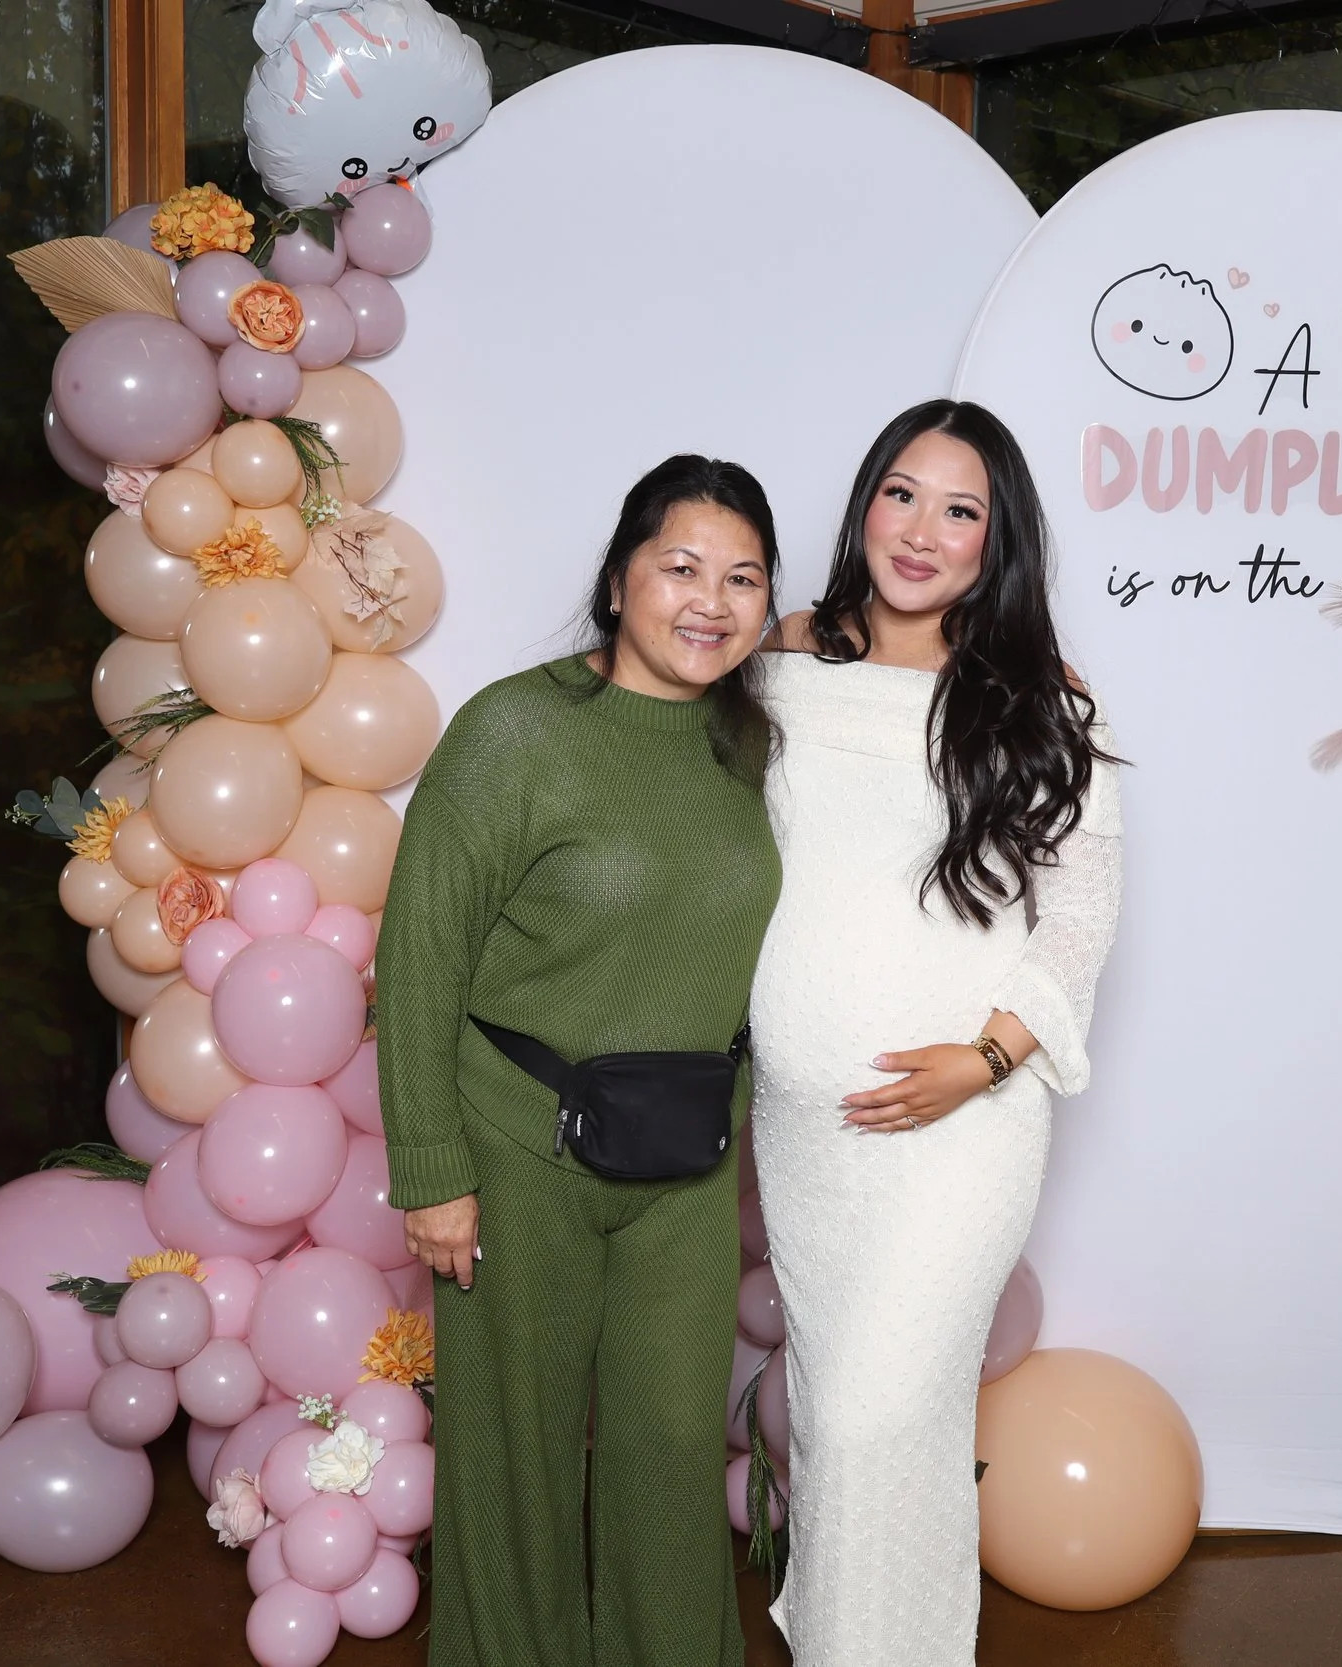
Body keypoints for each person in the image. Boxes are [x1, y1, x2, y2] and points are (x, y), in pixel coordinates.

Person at [378, 454, 783, 1667]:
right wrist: (431, 1169)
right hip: (516, 1152)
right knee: (517, 1455)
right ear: (618, 582)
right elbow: (416, 961)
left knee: (667, 1452)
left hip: (687, 1165)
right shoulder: (513, 729)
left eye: (743, 579)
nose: (709, 602)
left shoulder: (754, 744)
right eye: (680, 569)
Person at [752, 399, 1123, 1663]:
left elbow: (1080, 912)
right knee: (851, 1422)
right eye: (901, 493)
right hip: (807, 1133)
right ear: (865, 503)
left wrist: (989, 1055)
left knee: (868, 1414)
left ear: (994, 539)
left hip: (967, 1121)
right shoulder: (780, 657)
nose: (923, 531)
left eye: (960, 509)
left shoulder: (1040, 697)